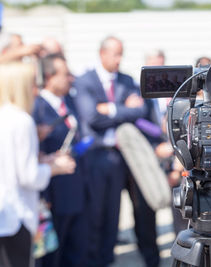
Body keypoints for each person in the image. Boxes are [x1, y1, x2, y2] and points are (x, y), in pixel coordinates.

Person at [73, 36, 157, 267]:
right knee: (95, 214)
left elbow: (139, 111)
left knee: (113, 214)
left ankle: (107, 259)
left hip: (121, 157)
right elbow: (91, 117)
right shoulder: (85, 81)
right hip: (97, 155)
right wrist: (121, 111)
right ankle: (93, 260)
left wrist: (109, 109)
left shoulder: (127, 80)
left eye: (122, 53)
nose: (119, 59)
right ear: (102, 53)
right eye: (115, 54)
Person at [0, 62, 75, 267]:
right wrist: (56, 167)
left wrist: (43, 160)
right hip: (17, 215)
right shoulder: (22, 120)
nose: (37, 89)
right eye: (32, 83)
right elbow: (29, 176)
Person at [33, 54, 89, 267]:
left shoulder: (69, 102)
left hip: (77, 189)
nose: (71, 78)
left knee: (75, 251)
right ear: (49, 76)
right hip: (54, 195)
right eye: (65, 74)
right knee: (54, 257)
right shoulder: (37, 108)